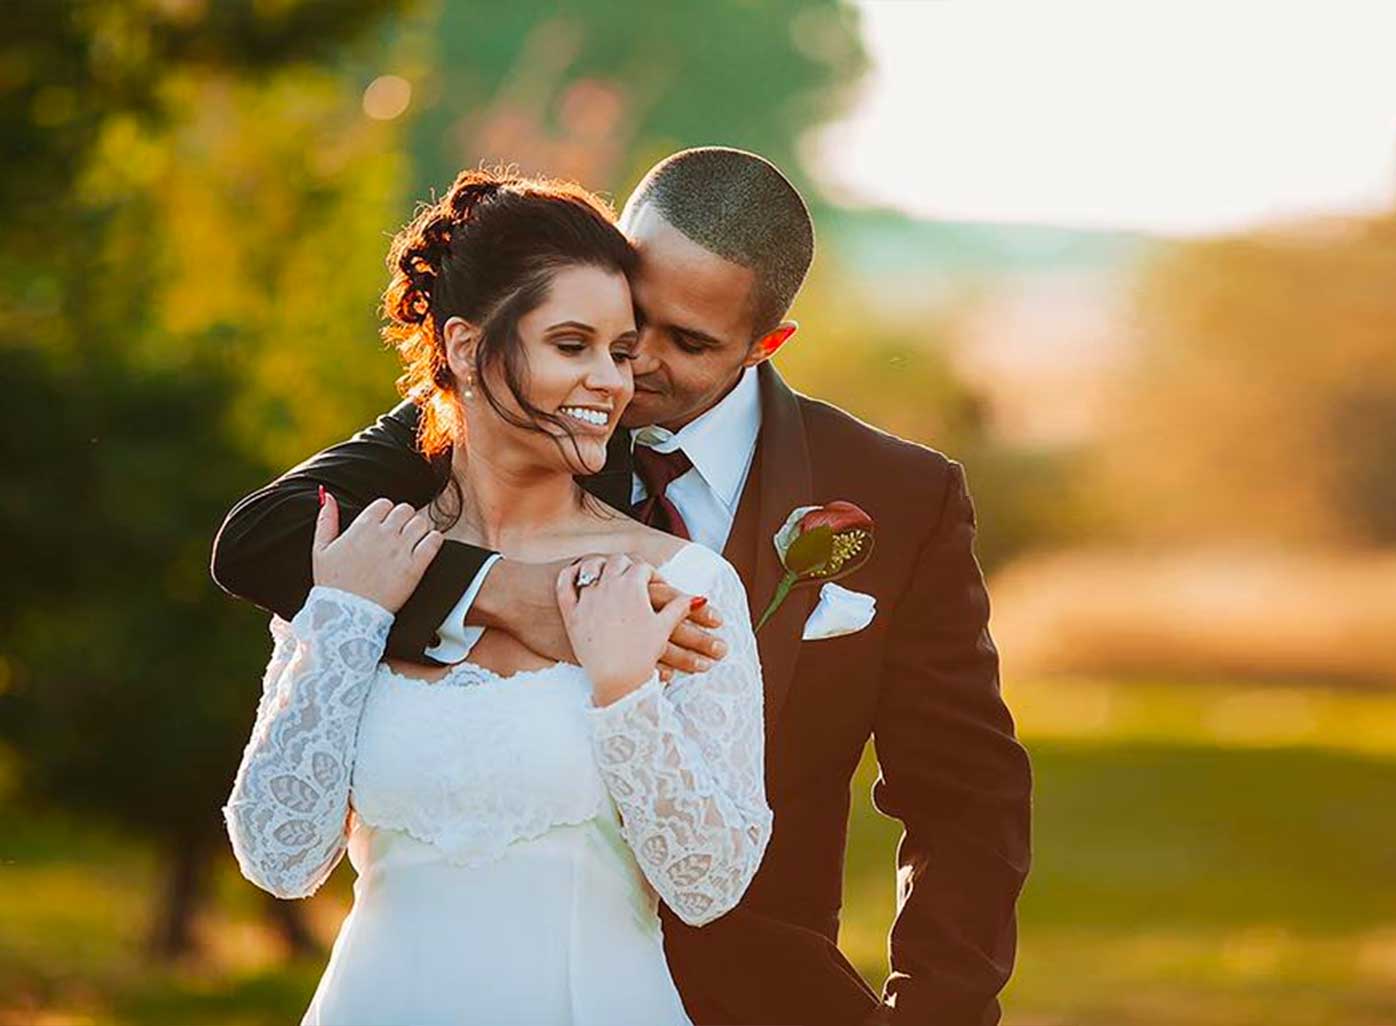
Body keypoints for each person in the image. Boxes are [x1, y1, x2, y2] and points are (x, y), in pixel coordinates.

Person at [213, 147, 1033, 1026]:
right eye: (617, 324)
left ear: (766, 345)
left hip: (759, 997)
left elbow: (963, 796)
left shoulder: (897, 495)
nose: (626, 369)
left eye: (685, 343)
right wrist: (500, 589)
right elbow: (262, 539)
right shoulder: (482, 416)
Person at [220, 169, 770, 1026]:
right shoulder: (365, 561)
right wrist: (346, 620)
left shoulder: (680, 585)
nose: (612, 383)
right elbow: (280, 858)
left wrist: (626, 693)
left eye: (620, 353)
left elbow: (709, 885)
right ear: (469, 349)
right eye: (571, 345)